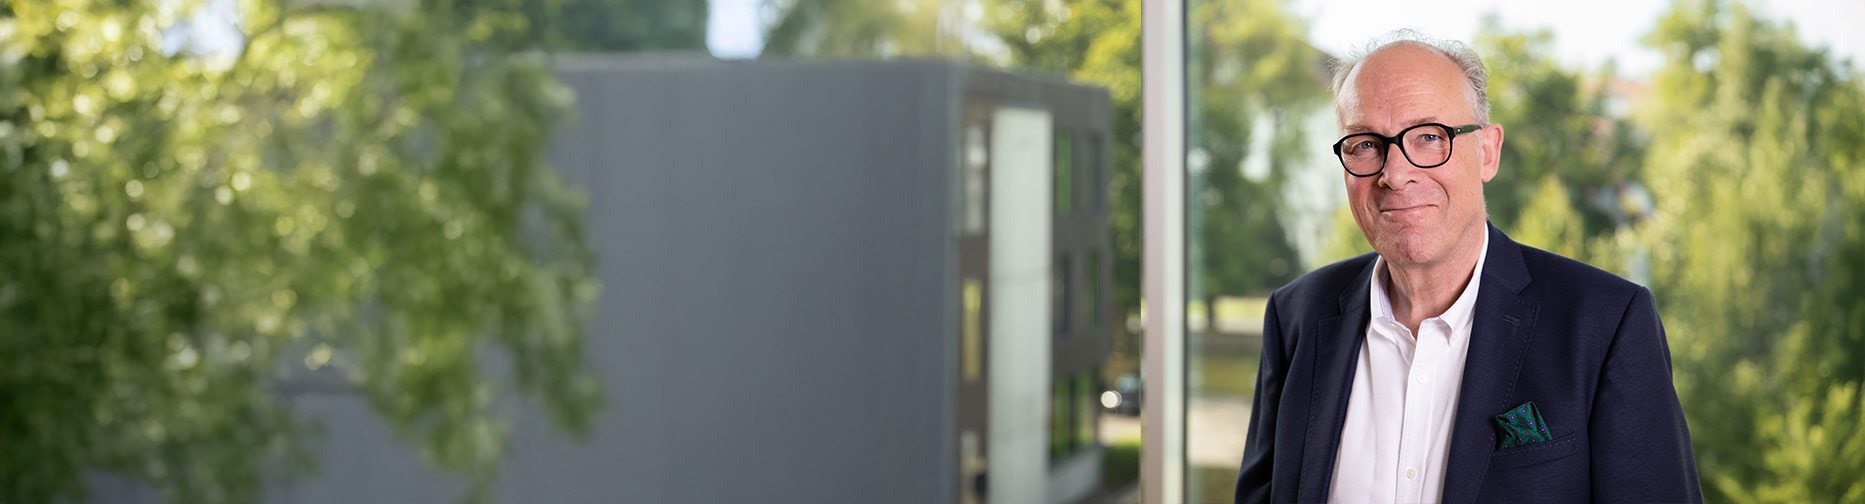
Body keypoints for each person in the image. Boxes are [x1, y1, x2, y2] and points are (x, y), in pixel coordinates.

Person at [1232, 30, 1701, 503]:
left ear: (1487, 153)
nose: (1395, 174)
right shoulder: (1296, 317)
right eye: (1365, 144)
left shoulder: (1606, 323)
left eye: (1429, 137)